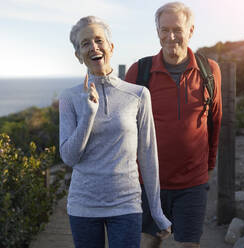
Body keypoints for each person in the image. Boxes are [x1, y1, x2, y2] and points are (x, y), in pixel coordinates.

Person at [59, 16, 171, 248]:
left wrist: (157, 211)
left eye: (99, 40)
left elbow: (148, 156)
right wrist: (88, 115)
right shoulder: (69, 98)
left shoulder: (138, 94)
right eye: (85, 43)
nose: (94, 47)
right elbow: (69, 157)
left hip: (126, 205)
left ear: (111, 47)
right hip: (83, 207)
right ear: (78, 56)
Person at [125, 2, 222, 248]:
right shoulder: (139, 72)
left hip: (192, 183)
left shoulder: (209, 71)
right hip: (148, 182)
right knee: (148, 243)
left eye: (177, 29)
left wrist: (208, 165)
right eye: (164, 29)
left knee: (189, 244)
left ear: (191, 31)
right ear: (157, 31)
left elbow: (215, 121)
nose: (170, 37)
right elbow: (124, 128)